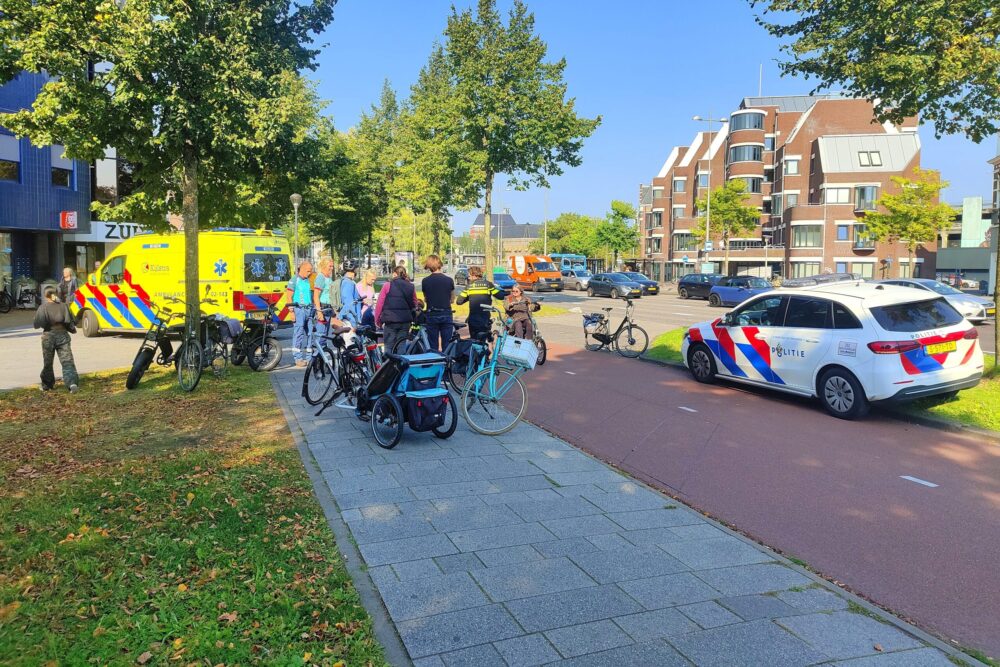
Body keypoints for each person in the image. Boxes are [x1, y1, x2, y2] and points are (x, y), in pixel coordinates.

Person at [34, 287, 79, 393]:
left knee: (48, 362)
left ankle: (47, 384)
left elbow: (37, 324)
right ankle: (72, 383)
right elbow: (71, 322)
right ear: (57, 294)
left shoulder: (43, 307)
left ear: (46, 296)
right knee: (67, 361)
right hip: (63, 335)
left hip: (48, 337)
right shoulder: (64, 306)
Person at [375, 265, 418, 355]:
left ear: (394, 274)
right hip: (405, 321)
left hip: (390, 321)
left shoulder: (387, 285)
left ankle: (389, 366)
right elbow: (415, 303)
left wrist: (377, 319)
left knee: (389, 346)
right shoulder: (410, 286)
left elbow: (380, 303)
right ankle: (401, 366)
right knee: (401, 345)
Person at [456, 265, 505, 340]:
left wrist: (470, 297)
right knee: (483, 339)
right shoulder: (488, 285)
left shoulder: (469, 287)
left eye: (469, 276)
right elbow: (500, 296)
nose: (468, 277)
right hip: (485, 318)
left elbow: (459, 302)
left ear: (474, 275)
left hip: (473, 319)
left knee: (473, 340)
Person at [421, 254, 454, 352]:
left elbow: (426, 298)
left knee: (432, 343)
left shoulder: (425, 281)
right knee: (447, 343)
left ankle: (434, 362)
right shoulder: (449, 280)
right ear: (440, 264)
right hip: (446, 313)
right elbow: (452, 299)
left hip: (432, 314)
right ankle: (447, 363)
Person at [283, 260, 314, 367]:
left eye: (310, 271)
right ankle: (298, 358)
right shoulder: (294, 280)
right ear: (302, 269)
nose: (309, 273)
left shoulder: (307, 280)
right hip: (299, 309)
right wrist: (291, 312)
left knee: (310, 333)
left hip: (308, 310)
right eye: (308, 271)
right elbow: (289, 297)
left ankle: (310, 357)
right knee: (299, 333)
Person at [312, 257, 335, 338]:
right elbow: (316, 296)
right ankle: (318, 350)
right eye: (330, 266)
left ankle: (323, 349)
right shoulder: (321, 277)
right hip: (322, 308)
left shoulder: (328, 278)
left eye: (332, 266)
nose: (332, 268)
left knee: (325, 335)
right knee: (320, 335)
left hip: (328, 308)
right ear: (324, 266)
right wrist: (319, 312)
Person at [338, 263, 365, 327]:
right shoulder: (348, 283)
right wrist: (353, 323)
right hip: (350, 320)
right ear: (354, 270)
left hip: (350, 318)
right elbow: (349, 304)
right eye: (356, 269)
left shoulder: (348, 281)